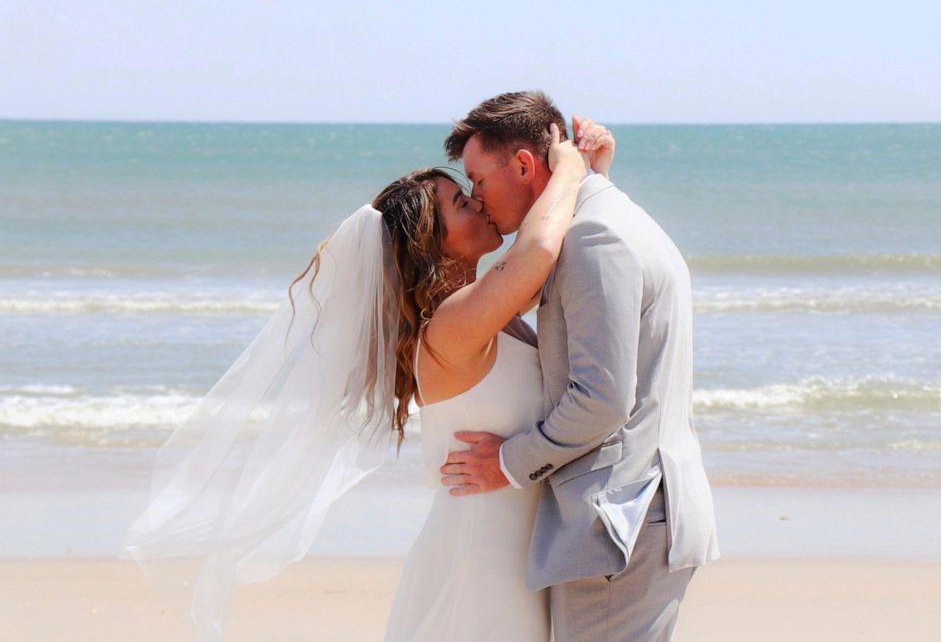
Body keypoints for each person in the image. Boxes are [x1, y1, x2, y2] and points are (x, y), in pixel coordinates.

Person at [120, 112, 615, 641]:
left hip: (513, 546)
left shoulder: (490, 309)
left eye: (471, 191)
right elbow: (537, 249)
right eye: (461, 202)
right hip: (482, 558)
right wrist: (567, 168)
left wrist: (598, 179)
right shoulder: (449, 328)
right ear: (432, 241)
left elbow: (573, 277)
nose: (478, 201)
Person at [440, 90, 720, 641]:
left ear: (523, 164)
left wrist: (509, 462)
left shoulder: (594, 237)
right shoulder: (608, 219)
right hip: (637, 518)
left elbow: (602, 399)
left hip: (618, 526)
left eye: (477, 179)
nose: (477, 197)